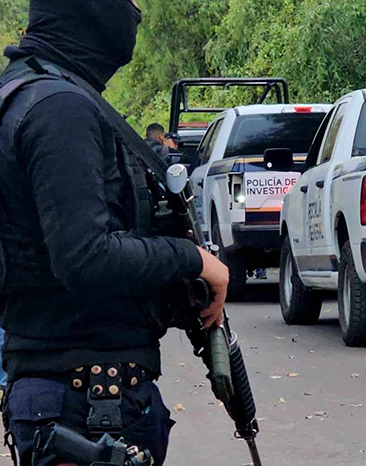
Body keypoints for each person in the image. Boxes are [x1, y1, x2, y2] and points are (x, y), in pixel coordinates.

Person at [0, 1, 230, 465]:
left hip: (74, 398)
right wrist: (192, 259)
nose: (135, 10)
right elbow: (84, 256)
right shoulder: (59, 108)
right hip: (86, 407)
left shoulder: (29, 93)